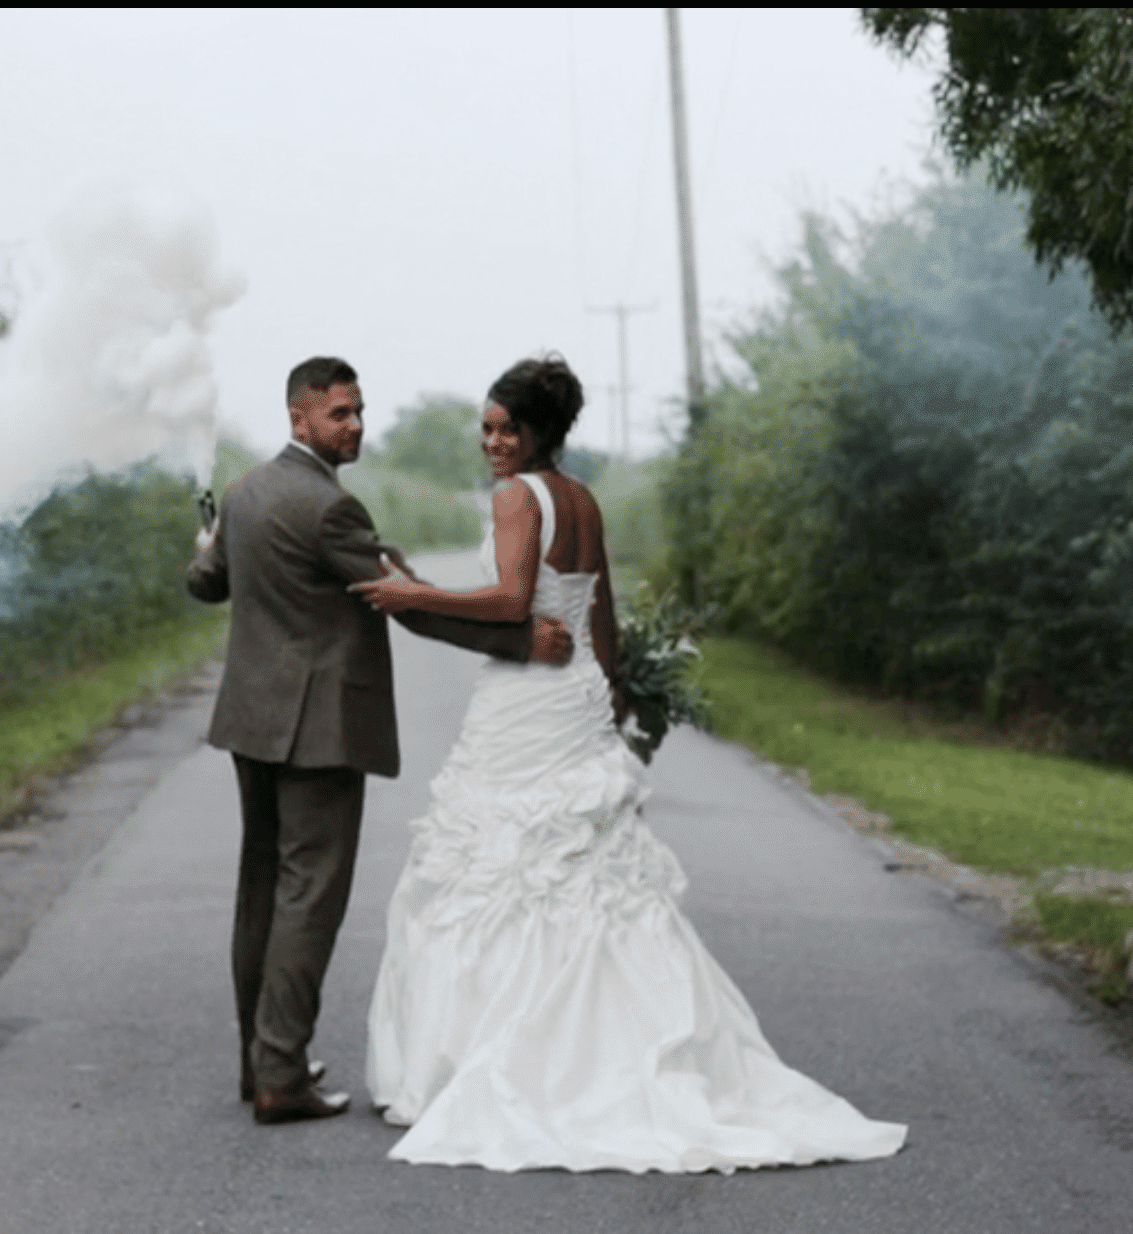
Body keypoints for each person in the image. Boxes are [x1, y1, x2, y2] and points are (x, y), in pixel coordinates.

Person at [347, 354, 908, 1172]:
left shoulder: (517, 497)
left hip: (525, 703)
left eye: (508, 429)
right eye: (488, 428)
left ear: (542, 431)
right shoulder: (583, 500)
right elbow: (599, 609)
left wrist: (411, 594)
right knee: (583, 873)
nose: (493, 443)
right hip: (571, 696)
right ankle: (619, 1048)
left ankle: (499, 1061)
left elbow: (510, 603)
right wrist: (609, 692)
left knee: (501, 867)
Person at [184, 356, 575, 1126]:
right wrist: (519, 642)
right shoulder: (332, 509)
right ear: (301, 418)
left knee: (262, 891)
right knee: (308, 898)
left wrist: (208, 542)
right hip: (318, 728)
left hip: (251, 723)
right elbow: (411, 608)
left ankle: (258, 1060)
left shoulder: (246, 492)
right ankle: (283, 1077)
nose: (355, 425)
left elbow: (206, 583)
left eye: (360, 411)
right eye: (340, 414)